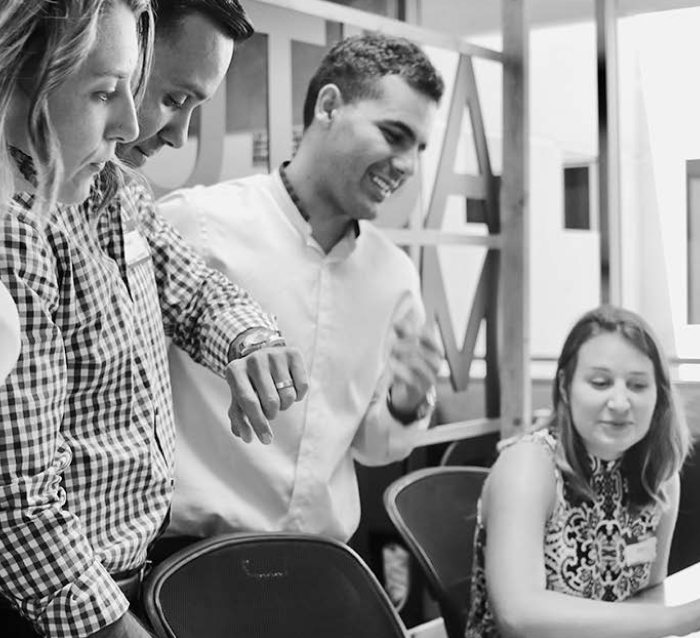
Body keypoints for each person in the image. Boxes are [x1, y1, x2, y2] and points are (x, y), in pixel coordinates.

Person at [0, 2, 306, 638]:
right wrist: (110, 625)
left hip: (121, 578)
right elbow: (17, 500)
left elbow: (193, 292)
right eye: (170, 96)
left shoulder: (117, 190)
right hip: (55, 603)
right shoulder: (20, 225)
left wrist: (248, 341)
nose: (161, 130)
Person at [157, 32, 445, 545]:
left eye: (419, 148)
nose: (408, 166)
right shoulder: (195, 226)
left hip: (322, 564)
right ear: (329, 106)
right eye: (394, 134)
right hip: (189, 559)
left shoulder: (395, 275)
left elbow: (372, 446)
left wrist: (407, 401)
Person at [465, 305, 700, 638]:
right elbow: (518, 615)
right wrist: (687, 618)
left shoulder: (660, 478)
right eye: (600, 383)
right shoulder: (529, 465)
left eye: (637, 386)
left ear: (659, 396)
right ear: (565, 387)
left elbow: (647, 599)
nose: (620, 403)